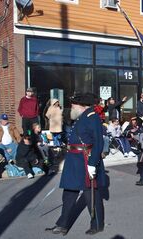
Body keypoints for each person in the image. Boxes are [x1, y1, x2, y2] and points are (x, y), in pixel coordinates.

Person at [46, 92, 105, 236]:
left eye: (73, 103)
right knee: (68, 194)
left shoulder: (92, 117)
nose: (71, 106)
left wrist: (92, 164)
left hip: (85, 159)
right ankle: (62, 224)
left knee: (90, 195)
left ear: (82, 105)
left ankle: (97, 224)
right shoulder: (81, 117)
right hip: (74, 159)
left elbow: (98, 142)